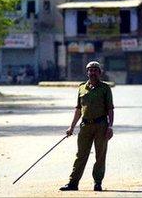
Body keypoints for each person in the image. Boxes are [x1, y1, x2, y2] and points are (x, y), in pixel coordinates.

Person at [59, 61, 114, 192]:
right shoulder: (81, 88)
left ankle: (98, 182)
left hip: (101, 125)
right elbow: (79, 109)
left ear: (100, 73)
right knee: (81, 155)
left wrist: (110, 127)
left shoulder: (105, 88)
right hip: (85, 126)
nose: (93, 72)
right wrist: (71, 127)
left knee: (100, 155)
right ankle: (73, 183)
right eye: (90, 70)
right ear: (87, 72)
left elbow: (110, 109)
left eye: (95, 70)